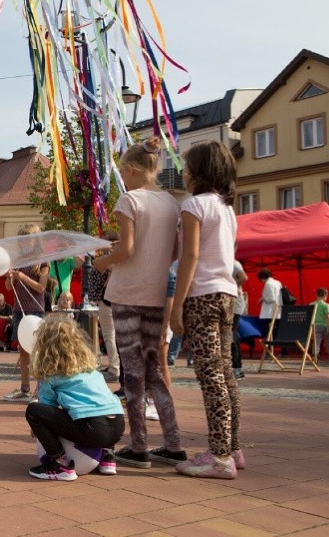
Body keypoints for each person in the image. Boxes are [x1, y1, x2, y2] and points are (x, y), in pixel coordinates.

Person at [92, 137, 186, 469]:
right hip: (158, 293)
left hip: (128, 294)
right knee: (156, 370)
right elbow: (175, 251)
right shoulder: (171, 203)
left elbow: (126, 249)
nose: (123, 179)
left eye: (123, 173)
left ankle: (139, 445)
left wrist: (102, 262)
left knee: (132, 371)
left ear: (131, 171)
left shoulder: (129, 200)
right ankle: (173, 443)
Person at [170, 140, 242, 479]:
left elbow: (190, 256)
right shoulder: (226, 208)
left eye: (186, 168)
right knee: (226, 374)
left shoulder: (194, 205)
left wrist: (178, 304)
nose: (183, 174)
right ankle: (232, 447)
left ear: (198, 172)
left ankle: (219, 456)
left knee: (210, 375)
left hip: (202, 296)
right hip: (228, 293)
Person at [25, 315, 125, 481]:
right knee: (98, 407)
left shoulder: (50, 373)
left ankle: (61, 464)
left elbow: (47, 406)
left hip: (94, 429)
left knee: (34, 411)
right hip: (118, 425)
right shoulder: (90, 369)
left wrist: (37, 429)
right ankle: (107, 458)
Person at [3, 223, 50, 403]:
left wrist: (22, 277)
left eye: (26, 240)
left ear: (35, 241)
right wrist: (10, 277)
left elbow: (41, 288)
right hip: (18, 310)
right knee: (23, 351)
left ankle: (41, 391)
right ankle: (24, 389)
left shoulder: (42, 262)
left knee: (37, 351)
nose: (22, 244)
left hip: (35, 310)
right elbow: (8, 288)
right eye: (20, 241)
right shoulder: (18, 261)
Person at [88, 232, 119, 382]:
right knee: (110, 335)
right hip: (105, 299)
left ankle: (115, 367)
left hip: (107, 300)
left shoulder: (112, 258)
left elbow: (109, 270)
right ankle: (115, 365)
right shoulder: (114, 257)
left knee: (109, 335)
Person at [231, 261, 249, 379]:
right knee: (230, 335)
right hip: (231, 301)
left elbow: (243, 277)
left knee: (231, 335)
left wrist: (232, 287)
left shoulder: (234, 263)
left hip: (234, 302)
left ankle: (237, 368)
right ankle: (235, 367)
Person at [311, 287, 329, 361]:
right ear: (325, 296)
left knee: (316, 341)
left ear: (316, 295)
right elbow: (327, 317)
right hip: (325, 325)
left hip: (315, 325)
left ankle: (315, 355)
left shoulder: (311, 304)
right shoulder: (326, 305)